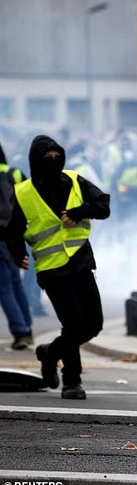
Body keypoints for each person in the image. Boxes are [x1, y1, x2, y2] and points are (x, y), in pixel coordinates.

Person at [5, 134, 110, 399]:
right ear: (35, 162)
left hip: (80, 261)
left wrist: (81, 211)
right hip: (52, 270)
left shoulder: (74, 180)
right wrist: (18, 254)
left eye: (56, 156)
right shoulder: (24, 192)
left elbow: (103, 206)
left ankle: (49, 353)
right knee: (73, 324)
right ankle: (72, 381)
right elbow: (13, 230)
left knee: (94, 324)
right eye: (46, 158)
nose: (53, 161)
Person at [0, 143, 33, 350]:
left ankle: (20, 331)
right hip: (17, 234)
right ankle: (28, 329)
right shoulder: (15, 172)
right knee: (16, 283)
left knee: (4, 288)